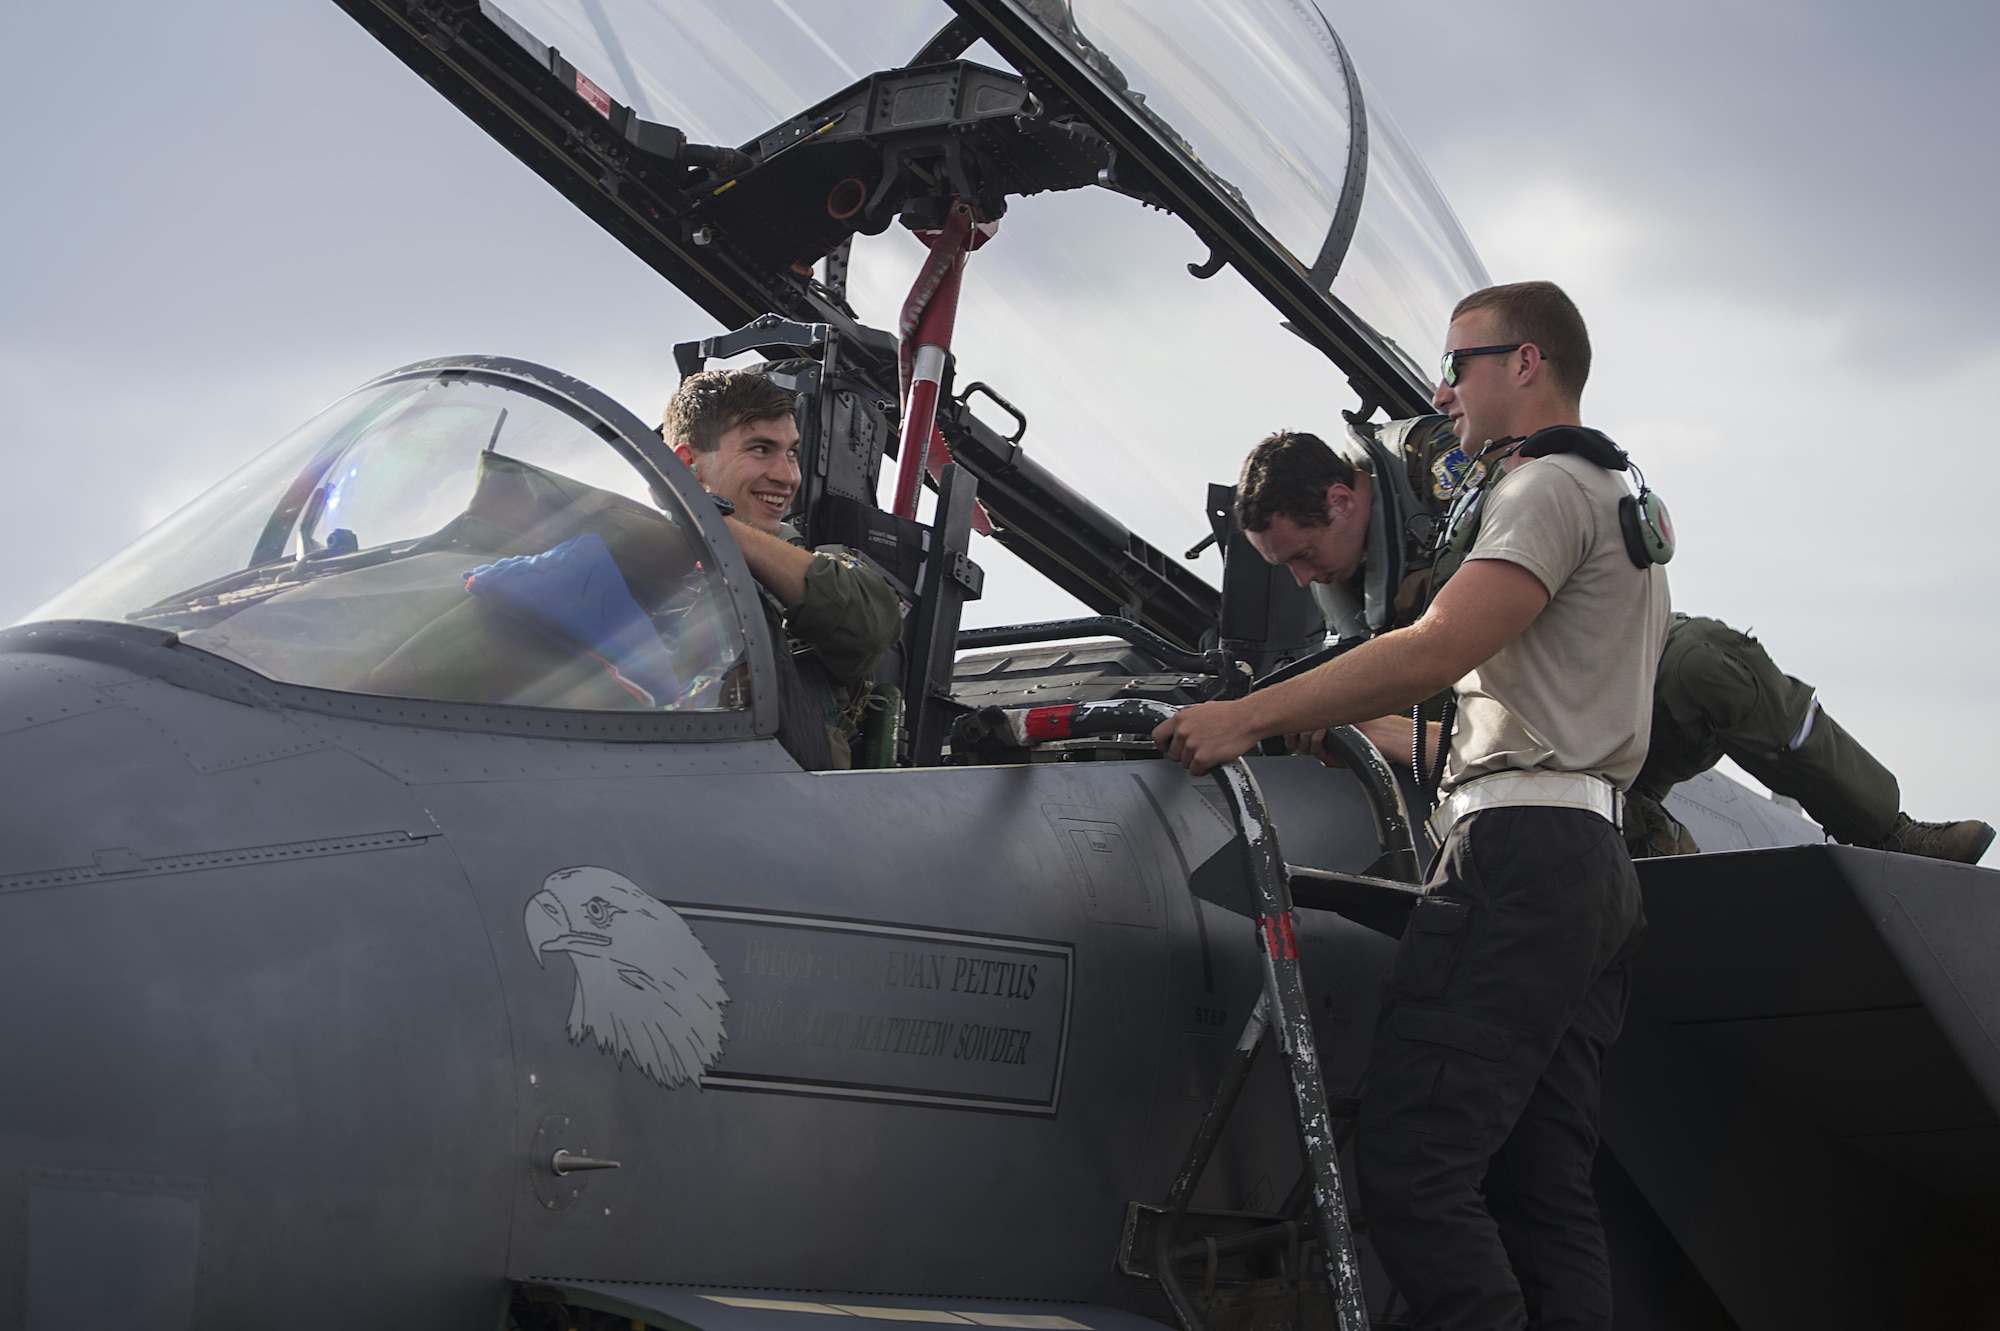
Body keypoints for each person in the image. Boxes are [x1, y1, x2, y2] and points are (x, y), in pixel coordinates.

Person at [1158, 281, 1660, 1330]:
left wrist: (1246, 715)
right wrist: (1346, 728)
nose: (1442, 390)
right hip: (1583, 860)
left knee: (1409, 1164)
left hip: (1517, 861)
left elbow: (1433, 649)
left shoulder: (1542, 489)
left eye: (1459, 363)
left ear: (1525, 362)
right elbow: (1518, 706)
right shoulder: (1617, 494)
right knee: (1537, 1188)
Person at [1233, 422, 1994, 863]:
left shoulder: (1450, 469)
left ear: (1341, 498)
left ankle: (1889, 831)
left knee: (1708, 666)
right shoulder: (1346, 602)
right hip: (1534, 740)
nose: (1301, 581)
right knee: (1570, 814)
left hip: (1608, 673)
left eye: (1301, 555)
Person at [662, 370, 901, 769]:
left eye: (791, 453)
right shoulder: (631, 564)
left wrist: (717, 527)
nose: (787, 476)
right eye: (760, 449)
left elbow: (873, 621)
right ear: (688, 464)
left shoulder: (821, 567)